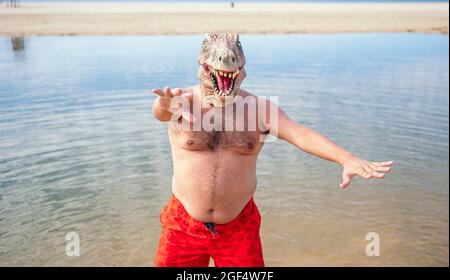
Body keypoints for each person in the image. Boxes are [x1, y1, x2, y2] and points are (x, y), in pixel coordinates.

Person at [151, 33, 394, 267]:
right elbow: (160, 112)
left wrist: (346, 158)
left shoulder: (260, 109)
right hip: (182, 224)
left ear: (242, 70)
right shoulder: (181, 101)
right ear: (202, 64)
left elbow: (300, 134)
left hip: (238, 228)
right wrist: (163, 104)